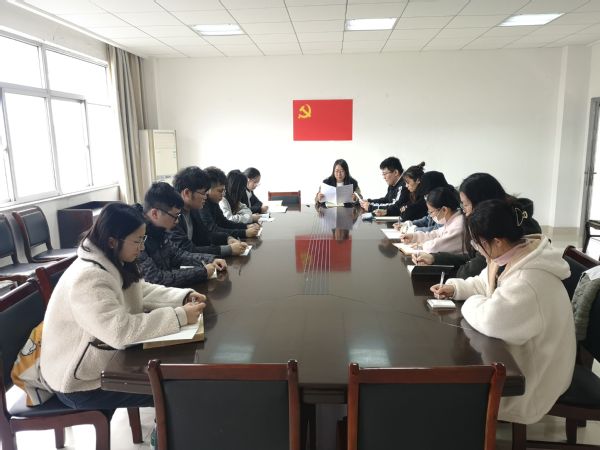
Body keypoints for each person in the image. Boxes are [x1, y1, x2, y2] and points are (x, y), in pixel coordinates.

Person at [40, 202, 207, 414]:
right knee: (174, 389)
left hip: (101, 361)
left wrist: (182, 297)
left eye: (143, 239)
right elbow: (120, 331)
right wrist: (179, 316)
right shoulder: (89, 278)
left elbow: (140, 290)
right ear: (112, 241)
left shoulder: (111, 259)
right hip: (77, 383)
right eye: (137, 241)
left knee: (174, 379)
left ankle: (167, 428)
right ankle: (166, 432)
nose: (142, 247)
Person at [430, 199, 575, 425]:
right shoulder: (512, 253)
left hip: (537, 372)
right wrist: (456, 288)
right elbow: (484, 284)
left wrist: (471, 302)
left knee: (457, 389)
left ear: (497, 241)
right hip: (524, 353)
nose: (478, 249)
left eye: (478, 243)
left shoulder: (529, 279)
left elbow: (491, 319)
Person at [413, 173, 541, 278]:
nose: (464, 211)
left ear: (482, 202)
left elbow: (480, 265)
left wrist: (452, 278)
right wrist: (434, 258)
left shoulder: (508, 228)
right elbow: (473, 256)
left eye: (466, 205)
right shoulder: (491, 221)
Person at [137, 182, 226, 287]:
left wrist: (211, 260)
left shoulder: (159, 229)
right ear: (155, 213)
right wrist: (202, 272)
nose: (177, 221)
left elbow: (178, 255)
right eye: (175, 216)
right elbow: (155, 278)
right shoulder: (136, 237)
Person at [169, 166, 248, 257]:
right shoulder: (172, 216)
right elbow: (187, 250)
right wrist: (229, 249)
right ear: (187, 193)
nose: (205, 197)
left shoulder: (193, 210)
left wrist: (227, 238)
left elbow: (206, 234)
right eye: (203, 193)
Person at [200, 166, 260, 239]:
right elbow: (213, 230)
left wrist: (246, 226)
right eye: (220, 191)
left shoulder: (213, 202)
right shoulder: (202, 204)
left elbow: (224, 222)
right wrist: (244, 232)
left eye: (223, 190)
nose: (223, 194)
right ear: (207, 189)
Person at [400, 185, 464, 254]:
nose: (430, 215)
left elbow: (435, 247)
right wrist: (414, 237)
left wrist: (422, 245)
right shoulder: (451, 220)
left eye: (431, 212)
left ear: (444, 210)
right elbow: (436, 234)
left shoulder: (459, 224)